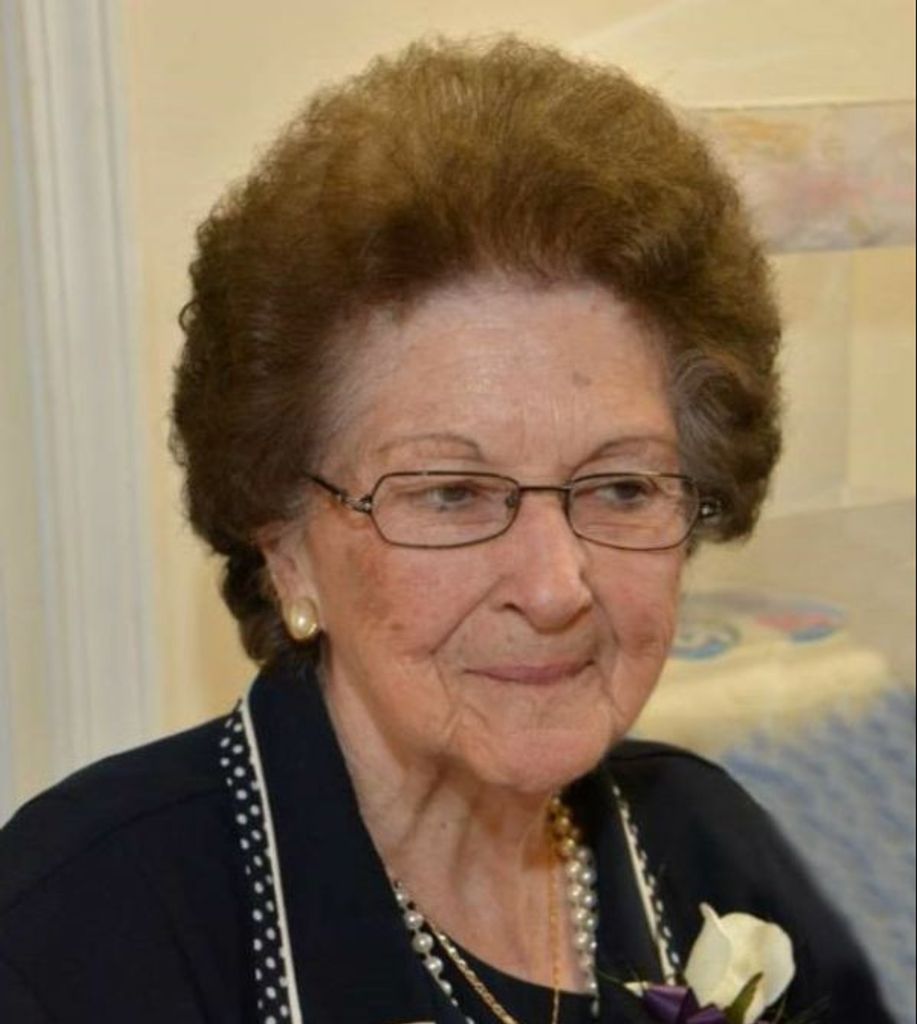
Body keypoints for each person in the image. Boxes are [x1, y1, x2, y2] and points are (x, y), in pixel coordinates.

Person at [0, 36, 893, 1024]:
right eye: (453, 493)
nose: (554, 586)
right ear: (284, 545)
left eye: (619, 486)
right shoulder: (84, 930)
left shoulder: (712, 851)